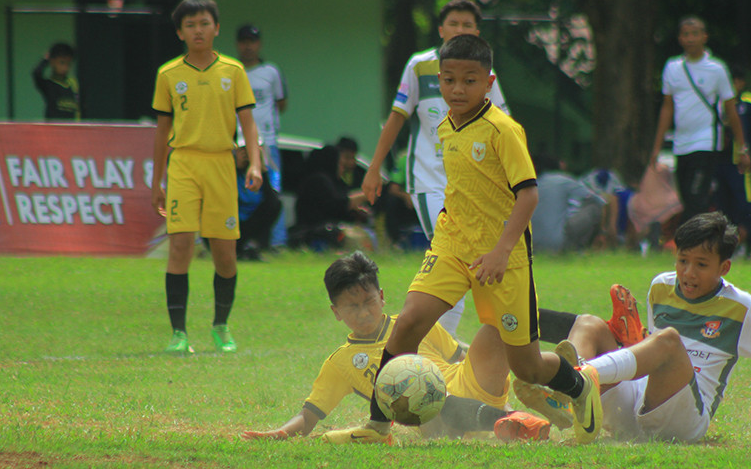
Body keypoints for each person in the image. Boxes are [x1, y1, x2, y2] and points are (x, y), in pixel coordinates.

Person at [325, 34, 602, 446]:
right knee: (409, 324)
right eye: (449, 80)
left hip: (503, 258)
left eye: (469, 81)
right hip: (452, 246)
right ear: (439, 80)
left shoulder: (503, 131)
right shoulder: (445, 127)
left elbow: (528, 194)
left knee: (525, 367)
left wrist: (501, 251)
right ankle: (377, 426)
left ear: (488, 83)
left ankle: (580, 390)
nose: (458, 89)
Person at [527, 212, 751, 443]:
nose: (688, 273)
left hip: (686, 420)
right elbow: (645, 361)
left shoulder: (742, 307)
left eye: (701, 265)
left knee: (668, 341)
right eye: (682, 261)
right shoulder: (660, 288)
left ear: (725, 267)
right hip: (641, 405)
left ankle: (576, 381)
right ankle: (576, 402)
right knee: (589, 324)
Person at [241, 252, 551, 441]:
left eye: (369, 302)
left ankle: (534, 400)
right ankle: (507, 420)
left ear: (382, 297)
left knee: (496, 326)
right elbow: (309, 416)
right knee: (412, 388)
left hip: (473, 383)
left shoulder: (413, 322)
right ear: (336, 313)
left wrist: (508, 362)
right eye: (351, 308)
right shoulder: (341, 363)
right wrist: (281, 432)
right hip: (436, 421)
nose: (363, 313)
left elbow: (462, 353)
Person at [360, 0, 509, 336]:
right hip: (429, 181)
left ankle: (447, 345)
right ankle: (443, 346)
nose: (460, 30)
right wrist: (374, 168)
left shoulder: (485, 72)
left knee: (468, 261)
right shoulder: (419, 66)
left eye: (467, 25)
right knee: (451, 257)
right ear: (441, 30)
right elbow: (397, 117)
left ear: (477, 32)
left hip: (474, 184)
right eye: (453, 24)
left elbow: (504, 121)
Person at [151, 0, 262, 354]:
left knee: (224, 255)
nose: (197, 30)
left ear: (216, 28)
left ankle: (220, 326)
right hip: (183, 163)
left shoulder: (233, 71)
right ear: (180, 32)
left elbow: (248, 122)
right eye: (189, 25)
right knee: (180, 246)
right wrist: (157, 180)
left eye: (203, 23)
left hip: (221, 164)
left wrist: (256, 163)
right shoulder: (168, 74)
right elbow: (160, 129)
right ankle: (178, 334)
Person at [650, 16, 750, 223]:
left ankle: (692, 247)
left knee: (697, 198)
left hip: (706, 142)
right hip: (681, 143)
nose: (690, 39)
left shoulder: (717, 69)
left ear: (705, 37)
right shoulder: (672, 67)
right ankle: (700, 243)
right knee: (687, 198)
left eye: (695, 34)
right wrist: (657, 147)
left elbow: (731, 109)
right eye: (686, 34)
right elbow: (667, 107)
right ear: (679, 38)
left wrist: (742, 147)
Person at [235, 24, 288, 247]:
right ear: (238, 44)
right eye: (244, 41)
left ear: (259, 44)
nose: (248, 46)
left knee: (272, 192)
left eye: (252, 41)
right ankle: (240, 240)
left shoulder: (271, 72)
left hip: (267, 143)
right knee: (236, 193)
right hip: (237, 143)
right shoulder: (232, 71)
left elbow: (281, 103)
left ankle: (275, 243)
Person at [715, 65, 751, 257]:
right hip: (720, 161)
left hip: (740, 164)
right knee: (724, 207)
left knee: (745, 205)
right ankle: (734, 248)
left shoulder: (749, 103)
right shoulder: (718, 104)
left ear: (741, 83)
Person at [291, 144, 370, 250]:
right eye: (340, 164)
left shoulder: (333, 181)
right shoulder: (319, 181)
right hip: (315, 231)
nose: (342, 168)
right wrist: (365, 195)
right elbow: (336, 205)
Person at [531, 154, 607, 253]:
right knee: (594, 207)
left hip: (532, 245)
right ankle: (582, 249)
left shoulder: (530, 185)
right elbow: (599, 200)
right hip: (558, 243)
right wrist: (602, 232)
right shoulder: (563, 180)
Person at [234, 141, 280, 261]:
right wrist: (237, 168)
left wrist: (260, 167)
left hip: (252, 223)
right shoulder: (227, 170)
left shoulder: (266, 172)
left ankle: (253, 245)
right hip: (231, 220)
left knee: (275, 203)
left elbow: (271, 199)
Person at [31, 42, 81, 121]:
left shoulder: (73, 83)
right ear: (52, 62)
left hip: (71, 128)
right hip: (53, 129)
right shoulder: (48, 85)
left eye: (68, 64)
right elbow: (36, 73)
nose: (65, 67)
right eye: (61, 63)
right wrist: (45, 59)